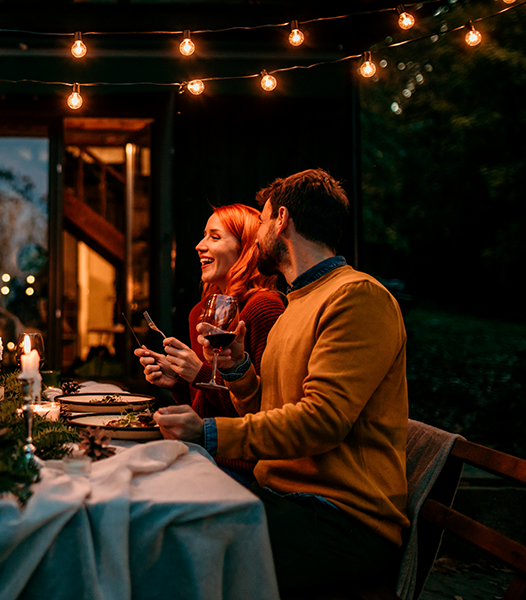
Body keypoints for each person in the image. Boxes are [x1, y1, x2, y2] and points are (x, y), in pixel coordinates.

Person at [153, 169, 409, 591]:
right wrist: (237, 370)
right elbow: (268, 412)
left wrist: (209, 432)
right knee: (165, 512)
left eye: (264, 220)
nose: (256, 236)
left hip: (341, 520)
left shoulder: (356, 297)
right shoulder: (296, 303)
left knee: (178, 545)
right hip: (283, 501)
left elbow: (322, 422)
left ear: (282, 220)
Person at [134, 203, 284, 482]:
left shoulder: (263, 307)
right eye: (204, 235)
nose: (199, 245)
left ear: (246, 248)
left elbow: (262, 414)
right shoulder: (201, 313)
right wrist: (178, 381)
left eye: (215, 237)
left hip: (245, 470)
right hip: (205, 456)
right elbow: (205, 412)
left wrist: (199, 374)